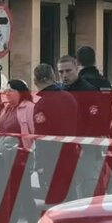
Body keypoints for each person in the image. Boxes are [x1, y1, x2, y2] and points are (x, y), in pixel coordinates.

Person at [57, 54, 109, 198]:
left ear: (77, 68)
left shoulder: (89, 91)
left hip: (86, 148)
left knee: (86, 190)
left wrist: (82, 144)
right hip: (66, 149)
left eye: (68, 71)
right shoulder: (61, 91)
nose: (64, 75)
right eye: (61, 72)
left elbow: (95, 123)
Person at [32, 63, 78, 206]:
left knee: (53, 201)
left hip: (50, 159)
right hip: (71, 155)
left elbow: (41, 137)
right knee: (71, 198)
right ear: (54, 77)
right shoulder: (69, 98)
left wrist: (40, 163)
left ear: (35, 81)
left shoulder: (42, 104)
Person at [0, 79, 37, 223]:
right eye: (6, 90)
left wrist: (33, 153)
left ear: (20, 92)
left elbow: (34, 132)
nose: (6, 93)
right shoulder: (6, 108)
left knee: (21, 189)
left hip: (22, 155)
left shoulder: (29, 108)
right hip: (5, 155)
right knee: (16, 189)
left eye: (11, 90)